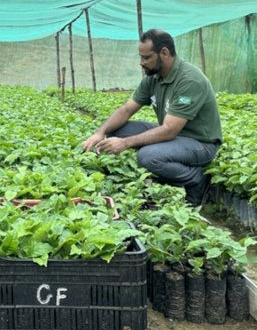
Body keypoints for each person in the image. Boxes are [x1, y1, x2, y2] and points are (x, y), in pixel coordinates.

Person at [82, 28, 222, 206]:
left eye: (146, 57)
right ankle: (162, 171)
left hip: (200, 143)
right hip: (174, 136)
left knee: (147, 157)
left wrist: (124, 143)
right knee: (117, 130)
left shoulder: (189, 80)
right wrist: (99, 132)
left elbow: (170, 130)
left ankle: (195, 179)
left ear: (164, 53)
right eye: (141, 57)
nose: (142, 62)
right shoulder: (153, 77)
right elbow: (126, 109)